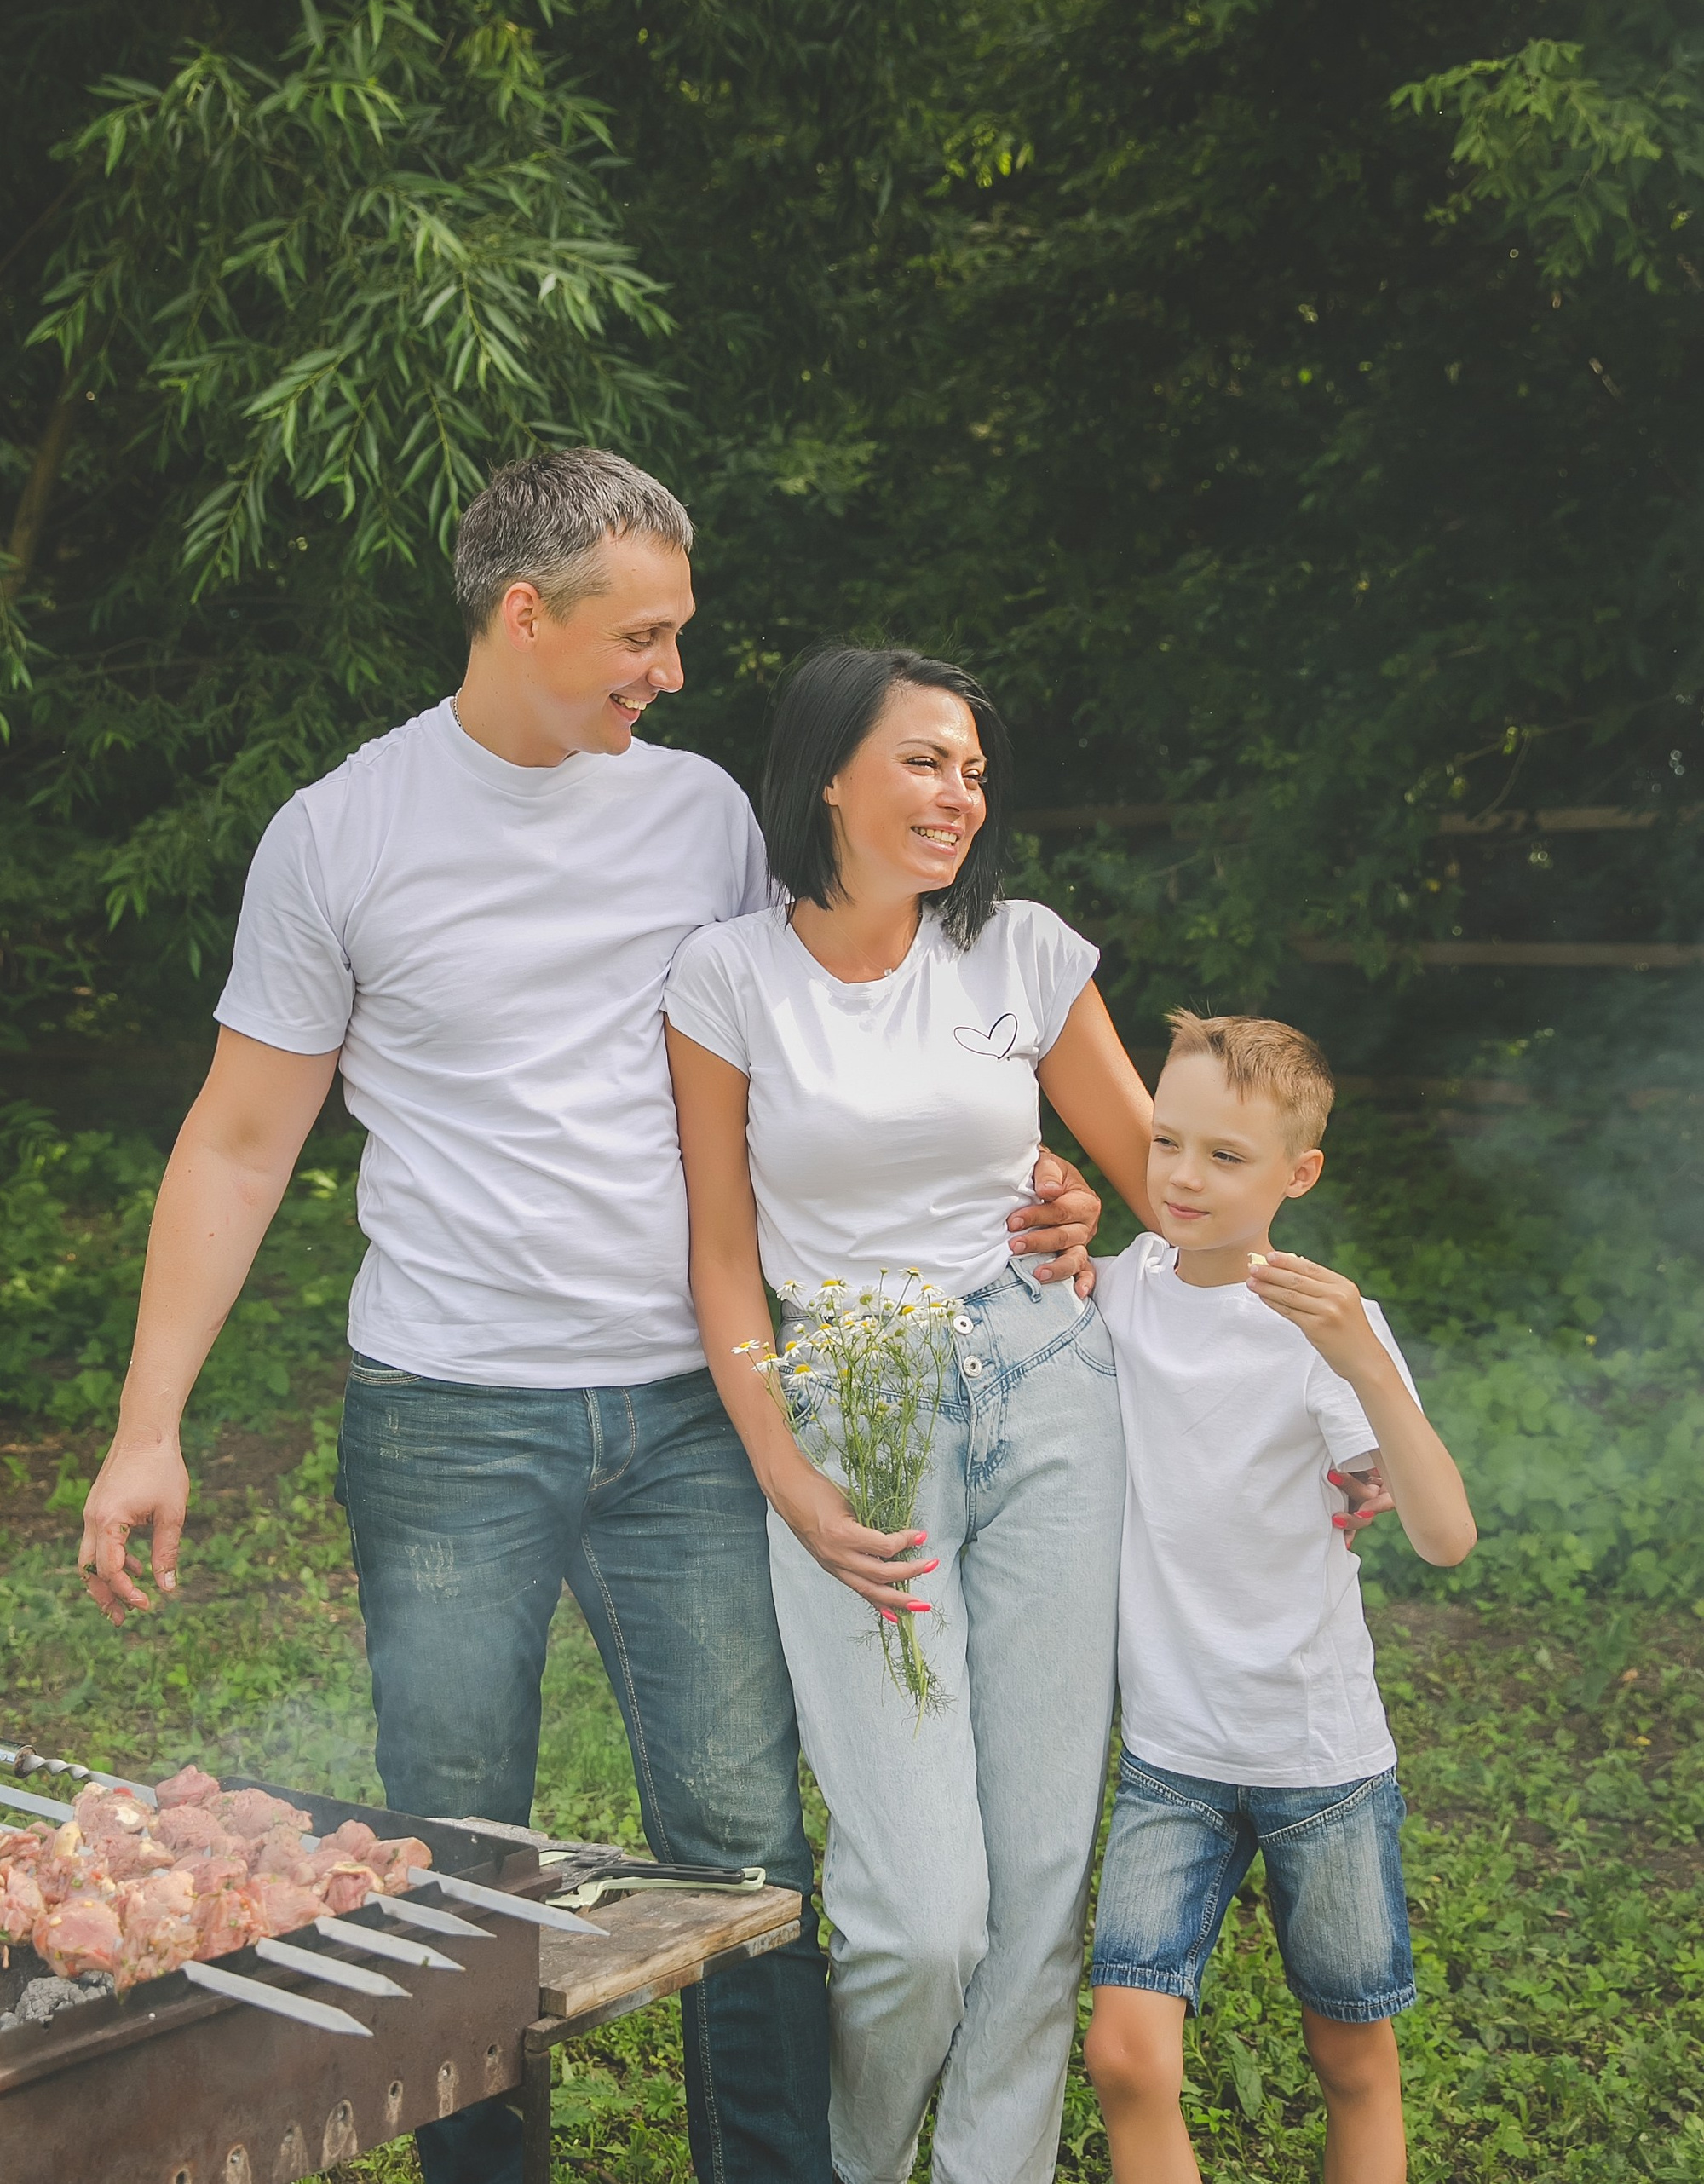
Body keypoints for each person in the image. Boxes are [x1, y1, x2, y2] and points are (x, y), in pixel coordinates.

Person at [73, 453, 1105, 2184]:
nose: (672, 672)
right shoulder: (340, 833)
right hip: (447, 1418)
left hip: (695, 1411)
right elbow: (241, 1140)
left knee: (736, 1849)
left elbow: (836, 1036)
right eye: (643, 635)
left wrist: (1031, 1188)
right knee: (449, 1858)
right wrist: (147, 1420)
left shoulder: (700, 813)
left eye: (679, 636)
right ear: (523, 612)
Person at [667, 645, 1160, 2184]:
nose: (961, 794)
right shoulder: (729, 977)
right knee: (917, 1911)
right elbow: (725, 1257)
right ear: (830, 775)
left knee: (1037, 1878)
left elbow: (1170, 1180)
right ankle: (853, 2164)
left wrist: (1100, 1234)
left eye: (974, 771)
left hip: (1047, 1392)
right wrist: (785, 1473)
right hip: (850, 1415)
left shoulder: (1021, 953)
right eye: (927, 762)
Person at [1080, 1011, 1476, 2184]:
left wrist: (1364, 1361)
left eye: (1226, 1157)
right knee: (1125, 2059)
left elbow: (1445, 1538)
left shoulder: (1322, 1326)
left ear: (1298, 1175)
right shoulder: (1120, 1291)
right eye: (1166, 1142)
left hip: (1320, 1759)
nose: (1182, 1177)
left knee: (1353, 2060)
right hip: (1171, 1754)